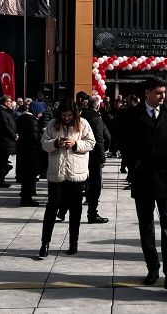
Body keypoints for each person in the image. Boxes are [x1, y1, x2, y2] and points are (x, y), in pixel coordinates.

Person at [123, 77, 167, 288]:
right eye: (158, 92)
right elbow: (123, 143)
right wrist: (134, 166)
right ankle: (152, 268)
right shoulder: (131, 115)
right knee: (146, 225)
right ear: (147, 93)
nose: (163, 96)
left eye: (164, 92)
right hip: (143, 179)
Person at [39, 99, 95, 257]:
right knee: (51, 208)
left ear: (74, 114)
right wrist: (56, 143)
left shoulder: (83, 123)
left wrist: (76, 144)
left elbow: (91, 143)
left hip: (76, 173)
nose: (66, 118)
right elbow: (44, 143)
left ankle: (73, 243)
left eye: (69, 115)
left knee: (75, 210)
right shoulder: (52, 124)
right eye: (64, 115)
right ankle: (45, 243)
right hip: (56, 173)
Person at [80, 94, 111, 224]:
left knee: (77, 183)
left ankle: (62, 210)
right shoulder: (96, 118)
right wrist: (102, 157)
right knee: (95, 186)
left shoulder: (80, 116)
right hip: (93, 156)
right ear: (97, 105)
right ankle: (92, 214)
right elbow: (100, 139)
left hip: (79, 153)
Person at [0, 97, 18, 187]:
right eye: (10, 101)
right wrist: (14, 136)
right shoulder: (2, 113)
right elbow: (6, 127)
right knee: (2, 161)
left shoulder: (6, 111)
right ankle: (0, 181)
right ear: (5, 103)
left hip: (5, 140)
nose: (11, 103)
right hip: (4, 140)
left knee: (3, 160)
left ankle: (1, 179)